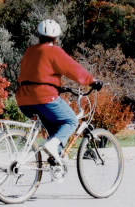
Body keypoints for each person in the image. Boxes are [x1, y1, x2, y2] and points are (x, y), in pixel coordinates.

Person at [16, 19, 103, 165]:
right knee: (71, 121)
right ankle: (52, 146)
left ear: (38, 36)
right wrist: (91, 81)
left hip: (23, 98)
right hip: (44, 97)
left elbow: (35, 74)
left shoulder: (30, 51)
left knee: (55, 129)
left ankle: (57, 160)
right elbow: (73, 69)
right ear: (56, 38)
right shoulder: (54, 51)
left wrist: (56, 85)